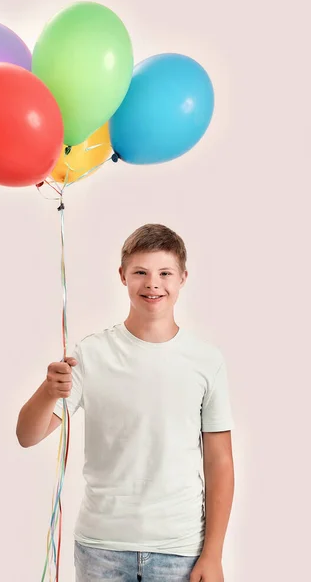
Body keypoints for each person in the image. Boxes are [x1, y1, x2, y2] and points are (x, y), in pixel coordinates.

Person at [16, 223, 235, 582]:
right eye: (140, 272)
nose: (153, 283)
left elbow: (220, 461)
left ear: (182, 278)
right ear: (122, 276)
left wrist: (213, 553)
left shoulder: (206, 361)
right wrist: (48, 391)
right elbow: (27, 435)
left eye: (164, 273)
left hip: (180, 550)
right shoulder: (91, 354)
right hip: (101, 549)